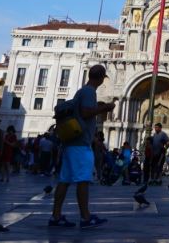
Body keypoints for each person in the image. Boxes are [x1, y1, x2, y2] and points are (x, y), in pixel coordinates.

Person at [48, 63, 117, 230]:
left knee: (64, 180)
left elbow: (82, 116)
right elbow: (86, 113)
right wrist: (104, 108)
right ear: (101, 78)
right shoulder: (88, 92)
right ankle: (86, 217)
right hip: (79, 146)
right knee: (83, 180)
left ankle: (56, 217)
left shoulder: (82, 91)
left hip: (73, 144)